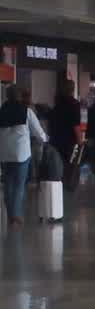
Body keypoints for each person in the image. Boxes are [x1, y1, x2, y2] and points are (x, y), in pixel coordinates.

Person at [0, 85, 48, 230]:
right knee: (19, 185)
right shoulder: (26, 111)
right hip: (21, 153)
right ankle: (15, 216)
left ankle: (11, 215)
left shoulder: (1, 111)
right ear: (19, 96)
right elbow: (38, 132)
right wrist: (46, 139)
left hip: (4, 153)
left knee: (8, 185)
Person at [50, 77, 81, 168]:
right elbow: (75, 125)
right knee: (71, 167)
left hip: (56, 141)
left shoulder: (57, 103)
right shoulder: (74, 104)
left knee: (58, 167)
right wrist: (80, 142)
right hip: (69, 143)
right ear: (72, 89)